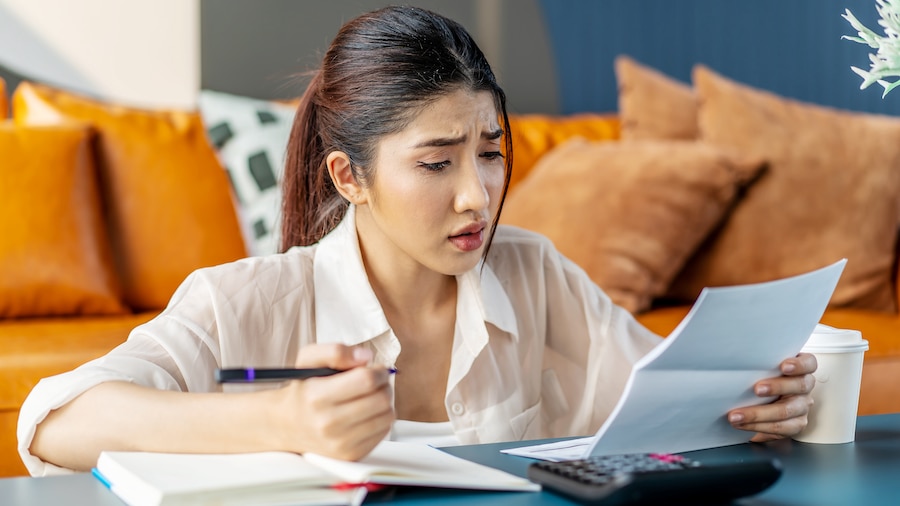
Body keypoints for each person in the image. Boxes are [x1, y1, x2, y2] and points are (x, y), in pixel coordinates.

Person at [18, 5, 816, 476]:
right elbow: (56, 423)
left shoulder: (535, 273)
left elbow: (662, 391)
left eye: (493, 152)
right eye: (436, 161)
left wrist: (754, 401)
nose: (478, 194)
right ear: (348, 175)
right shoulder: (247, 303)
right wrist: (284, 422)